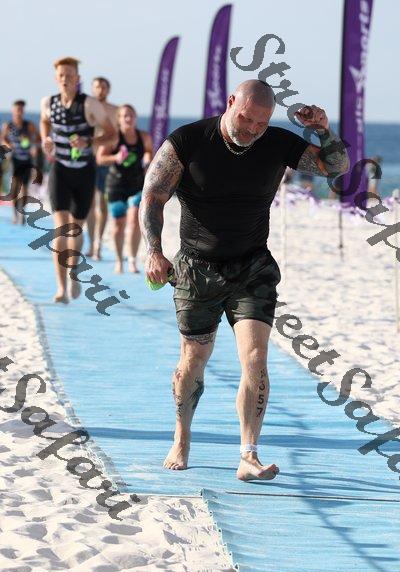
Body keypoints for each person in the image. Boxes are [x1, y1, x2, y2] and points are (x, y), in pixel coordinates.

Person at [139, 79, 349, 481]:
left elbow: (335, 168)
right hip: (197, 270)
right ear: (231, 101)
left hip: (252, 267)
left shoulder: (276, 143)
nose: (252, 129)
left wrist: (323, 130)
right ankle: (182, 436)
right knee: (193, 360)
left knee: (255, 357)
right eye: (246, 119)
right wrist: (154, 250)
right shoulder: (187, 141)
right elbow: (153, 197)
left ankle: (248, 454)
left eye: (261, 123)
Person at [40, 56, 116, 303]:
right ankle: (61, 288)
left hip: (84, 172)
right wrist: (46, 139)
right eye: (61, 75)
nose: (65, 79)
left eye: (70, 75)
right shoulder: (48, 102)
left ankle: (73, 272)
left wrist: (89, 141)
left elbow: (112, 134)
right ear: (56, 78)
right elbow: (44, 121)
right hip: (60, 171)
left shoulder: (89, 104)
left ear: (78, 78)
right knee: (60, 231)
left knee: (75, 231)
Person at [97, 104, 153, 273]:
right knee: (117, 225)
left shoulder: (143, 136)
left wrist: (147, 159)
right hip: (115, 185)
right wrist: (115, 157)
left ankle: (132, 260)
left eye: (131, 115)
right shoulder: (114, 138)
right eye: (124, 116)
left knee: (135, 219)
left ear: (135, 118)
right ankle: (119, 260)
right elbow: (100, 158)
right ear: (119, 120)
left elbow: (149, 151)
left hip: (136, 184)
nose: (128, 119)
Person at [86, 77, 118, 259]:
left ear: (108, 89)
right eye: (97, 87)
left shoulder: (115, 110)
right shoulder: (86, 109)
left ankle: (98, 244)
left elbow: (118, 136)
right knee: (89, 204)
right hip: (87, 159)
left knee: (102, 204)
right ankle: (91, 244)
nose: (100, 90)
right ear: (92, 89)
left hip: (105, 160)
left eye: (103, 87)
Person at [1, 100, 41, 224]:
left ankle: (21, 213)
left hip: (27, 160)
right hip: (14, 159)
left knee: (24, 187)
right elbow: (3, 138)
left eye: (21, 110)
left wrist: (33, 145)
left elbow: (38, 139)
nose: (19, 112)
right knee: (15, 188)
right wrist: (8, 145)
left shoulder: (29, 125)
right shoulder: (8, 125)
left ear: (23, 111)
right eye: (17, 109)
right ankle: (15, 214)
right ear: (13, 111)